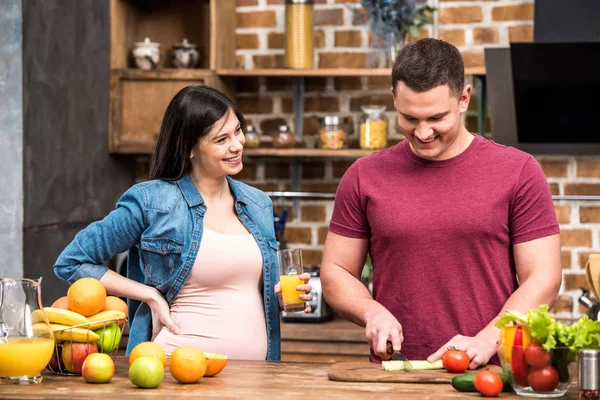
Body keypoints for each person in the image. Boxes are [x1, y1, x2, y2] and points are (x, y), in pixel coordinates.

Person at [320, 38, 561, 368]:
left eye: (436, 118)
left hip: (489, 377)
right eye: (409, 117)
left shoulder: (518, 171)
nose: (422, 132)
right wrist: (370, 310)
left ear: (464, 99)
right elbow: (335, 271)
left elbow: (544, 278)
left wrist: (487, 340)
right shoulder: (364, 175)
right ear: (394, 99)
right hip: (395, 375)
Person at [54, 85, 312, 360]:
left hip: (255, 377)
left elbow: (248, 291)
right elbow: (72, 261)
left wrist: (282, 297)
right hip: (173, 371)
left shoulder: (258, 203)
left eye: (237, 130)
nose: (237, 145)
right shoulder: (154, 201)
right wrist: (149, 295)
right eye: (221, 139)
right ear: (190, 148)